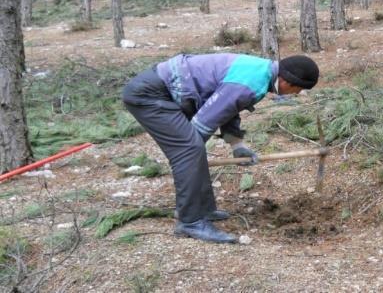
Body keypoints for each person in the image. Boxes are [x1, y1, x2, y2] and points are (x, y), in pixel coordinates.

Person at [121, 53, 319, 244]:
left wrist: (237, 145)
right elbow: (204, 121)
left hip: (162, 88)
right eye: (298, 89)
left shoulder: (260, 73)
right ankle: (190, 221)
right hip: (149, 95)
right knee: (190, 150)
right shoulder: (250, 83)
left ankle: (204, 209)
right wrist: (188, 155)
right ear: (287, 82)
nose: (298, 93)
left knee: (193, 149)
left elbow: (229, 108)